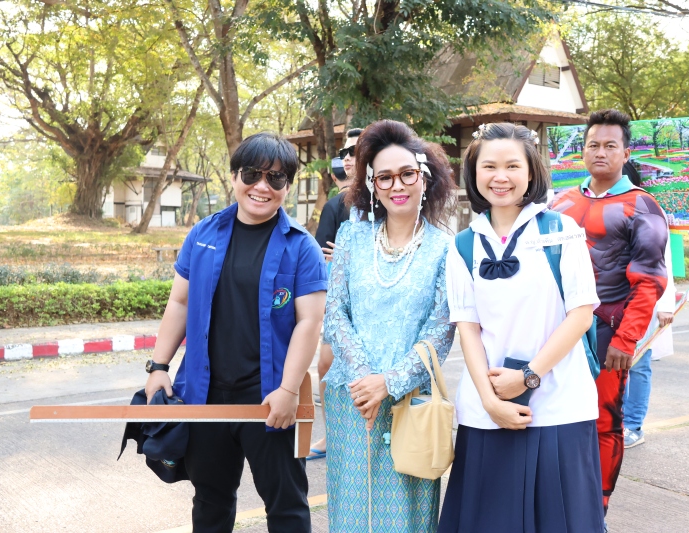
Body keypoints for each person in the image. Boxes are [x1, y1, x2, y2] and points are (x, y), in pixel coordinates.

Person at [143, 133, 327, 532]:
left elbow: (309, 323)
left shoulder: (301, 247)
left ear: (287, 187)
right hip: (205, 396)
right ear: (233, 177)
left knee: (287, 505)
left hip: (270, 398)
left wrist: (288, 391)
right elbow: (179, 303)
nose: (262, 186)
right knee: (211, 502)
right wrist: (158, 367)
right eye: (252, 174)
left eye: (276, 178)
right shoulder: (203, 235)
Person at [438, 123, 604, 533]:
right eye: (489, 166)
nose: (501, 177)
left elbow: (581, 315)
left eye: (512, 166)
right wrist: (490, 400)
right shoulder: (462, 245)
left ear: (531, 173)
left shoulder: (562, 231)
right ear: (474, 173)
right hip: (488, 410)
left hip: (559, 405)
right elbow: (468, 327)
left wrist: (528, 376)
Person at [323, 119, 456, 533]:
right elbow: (335, 313)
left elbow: (440, 332)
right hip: (351, 396)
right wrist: (365, 379)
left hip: (410, 400)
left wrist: (389, 382)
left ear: (424, 178)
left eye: (407, 174)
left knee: (404, 519)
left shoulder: (446, 249)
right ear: (372, 184)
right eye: (385, 177)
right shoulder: (350, 236)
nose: (397, 185)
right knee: (350, 513)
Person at [551, 109, 668, 518]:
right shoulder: (561, 201)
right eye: (593, 145)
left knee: (603, 420)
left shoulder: (643, 205)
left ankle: (594, 512)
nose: (600, 152)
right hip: (556, 329)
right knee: (555, 416)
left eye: (609, 146)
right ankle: (558, 502)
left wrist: (626, 338)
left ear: (625, 152)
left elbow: (650, 280)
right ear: (583, 151)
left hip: (606, 331)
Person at [308, 127, 363, 460]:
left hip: (382, 301)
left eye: (355, 151)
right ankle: (332, 435)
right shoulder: (336, 205)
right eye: (345, 153)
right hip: (341, 299)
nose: (347, 158)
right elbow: (322, 255)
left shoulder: (391, 201)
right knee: (327, 363)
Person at [620, 162, 675, 449]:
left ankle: (633, 425)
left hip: (643, 299)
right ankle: (613, 422)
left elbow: (662, 259)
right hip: (608, 300)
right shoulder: (597, 205)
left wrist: (664, 302)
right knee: (610, 365)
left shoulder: (649, 208)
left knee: (639, 363)